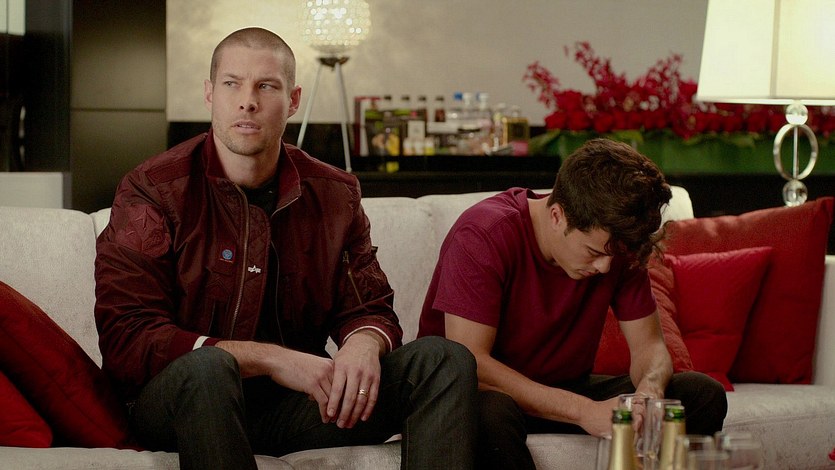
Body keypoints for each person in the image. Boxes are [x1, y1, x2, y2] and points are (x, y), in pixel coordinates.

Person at [94, 27, 478, 470]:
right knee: (209, 368)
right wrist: (271, 360)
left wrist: (363, 344)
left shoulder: (334, 193)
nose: (247, 101)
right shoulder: (152, 189)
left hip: (294, 408)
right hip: (177, 404)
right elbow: (127, 339)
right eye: (232, 84)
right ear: (209, 94)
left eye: (266, 86)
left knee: (442, 359)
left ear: (293, 100)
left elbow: (368, 307)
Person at [418, 138, 728, 469]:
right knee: (488, 414)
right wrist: (584, 411)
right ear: (557, 215)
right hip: (486, 394)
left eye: (612, 257)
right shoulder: (485, 233)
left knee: (700, 394)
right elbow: (472, 365)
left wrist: (648, 394)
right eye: (593, 253)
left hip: (566, 386)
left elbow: (650, 346)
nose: (604, 268)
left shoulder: (616, 246)